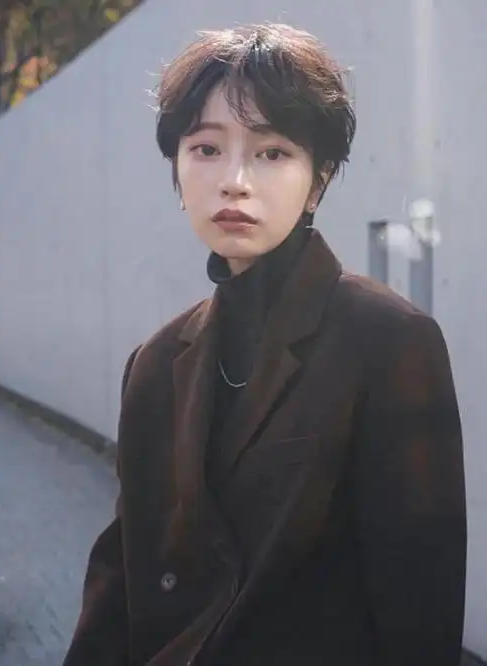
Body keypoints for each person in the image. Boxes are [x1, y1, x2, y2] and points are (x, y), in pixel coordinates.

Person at [62, 23, 467, 666]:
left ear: (319, 179)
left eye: (272, 152)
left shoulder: (388, 341)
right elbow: (120, 585)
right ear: (177, 168)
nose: (235, 180)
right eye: (206, 148)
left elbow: (419, 605)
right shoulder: (156, 363)